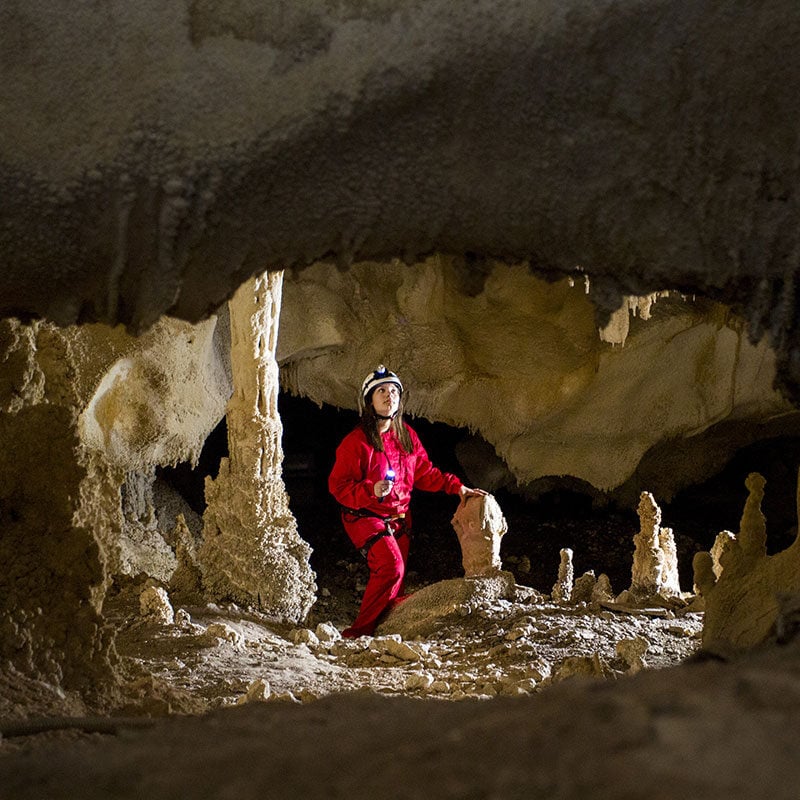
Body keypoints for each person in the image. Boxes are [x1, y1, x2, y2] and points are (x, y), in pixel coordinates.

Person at [328, 365, 487, 638]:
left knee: (396, 583)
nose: (389, 396)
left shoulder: (406, 435)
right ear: (369, 400)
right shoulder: (356, 442)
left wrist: (456, 487)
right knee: (391, 568)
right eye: (381, 391)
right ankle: (358, 633)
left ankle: (386, 627)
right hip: (364, 515)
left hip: (399, 518)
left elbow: (424, 472)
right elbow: (338, 486)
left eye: (393, 391)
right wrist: (371, 490)